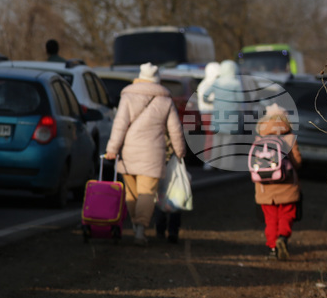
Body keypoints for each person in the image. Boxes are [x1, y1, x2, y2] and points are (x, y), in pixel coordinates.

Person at [104, 62, 187, 246]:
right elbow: (175, 130)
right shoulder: (166, 100)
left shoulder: (127, 96)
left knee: (131, 194)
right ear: (157, 79)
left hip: (129, 152)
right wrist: (180, 152)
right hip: (153, 154)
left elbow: (119, 125)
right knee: (147, 193)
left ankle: (135, 226)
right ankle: (140, 229)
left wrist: (112, 149)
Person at [252, 104, 302, 261]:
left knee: (270, 218)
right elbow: (297, 160)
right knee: (286, 214)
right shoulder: (289, 137)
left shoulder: (260, 138)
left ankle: (273, 248)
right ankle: (283, 237)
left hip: (264, 188)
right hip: (287, 185)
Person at [203, 60, 245, 170]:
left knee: (217, 141)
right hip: (231, 117)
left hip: (218, 116)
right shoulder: (235, 84)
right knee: (228, 143)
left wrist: (212, 103)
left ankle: (214, 163)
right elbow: (241, 100)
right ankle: (226, 165)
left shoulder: (217, 82)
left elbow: (205, 95)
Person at [194, 61, 221, 170]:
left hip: (214, 112)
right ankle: (208, 160)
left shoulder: (212, 84)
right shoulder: (205, 85)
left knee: (217, 137)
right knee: (210, 136)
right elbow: (207, 99)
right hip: (208, 113)